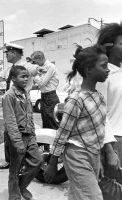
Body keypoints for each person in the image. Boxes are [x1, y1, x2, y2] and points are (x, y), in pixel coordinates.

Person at [44, 45, 109, 200]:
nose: (108, 70)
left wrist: (99, 158)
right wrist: (53, 162)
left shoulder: (98, 96)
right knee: (93, 197)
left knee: (77, 194)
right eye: (104, 66)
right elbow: (62, 132)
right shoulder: (76, 99)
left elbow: (100, 129)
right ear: (89, 70)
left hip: (93, 154)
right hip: (77, 155)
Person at [0, 42, 38, 170]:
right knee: (8, 131)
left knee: (21, 131)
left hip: (21, 102)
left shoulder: (26, 65)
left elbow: (33, 69)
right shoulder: (9, 69)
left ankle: (21, 161)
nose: (6, 56)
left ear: (14, 53)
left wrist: (38, 68)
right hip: (10, 101)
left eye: (7, 53)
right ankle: (9, 160)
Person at [3, 65, 43, 200]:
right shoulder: (9, 96)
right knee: (15, 169)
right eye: (23, 76)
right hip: (16, 136)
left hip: (29, 135)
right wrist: (17, 142)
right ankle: (14, 196)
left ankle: (22, 186)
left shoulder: (25, 92)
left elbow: (29, 114)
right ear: (13, 79)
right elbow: (10, 120)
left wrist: (32, 133)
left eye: (27, 76)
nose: (26, 79)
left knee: (37, 161)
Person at [96, 22, 122, 171]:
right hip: (114, 140)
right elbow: (100, 114)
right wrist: (110, 151)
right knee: (114, 190)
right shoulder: (103, 76)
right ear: (110, 47)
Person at [31, 51, 60, 130]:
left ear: (40, 58)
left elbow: (42, 83)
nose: (34, 63)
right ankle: (47, 141)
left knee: (52, 120)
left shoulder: (50, 67)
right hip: (44, 95)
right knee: (45, 119)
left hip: (50, 96)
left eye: (34, 61)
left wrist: (35, 76)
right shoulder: (41, 68)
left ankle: (55, 141)